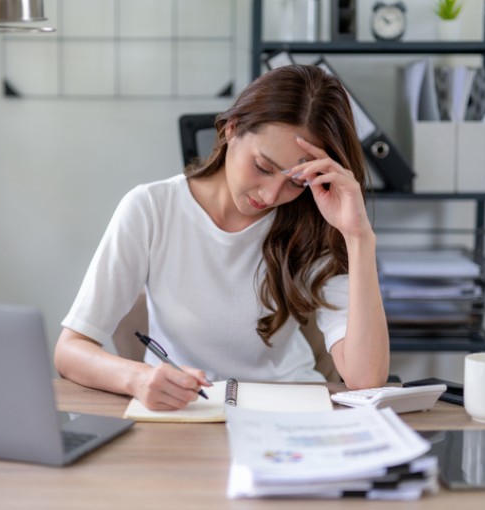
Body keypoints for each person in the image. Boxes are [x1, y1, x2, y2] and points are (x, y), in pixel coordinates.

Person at [54, 64, 389, 411]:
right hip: (185, 410)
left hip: (289, 410)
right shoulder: (151, 208)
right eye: (263, 167)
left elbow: (366, 380)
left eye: (296, 181)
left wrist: (358, 236)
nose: (271, 195)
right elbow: (70, 350)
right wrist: (136, 377)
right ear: (232, 129)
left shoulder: (313, 222)